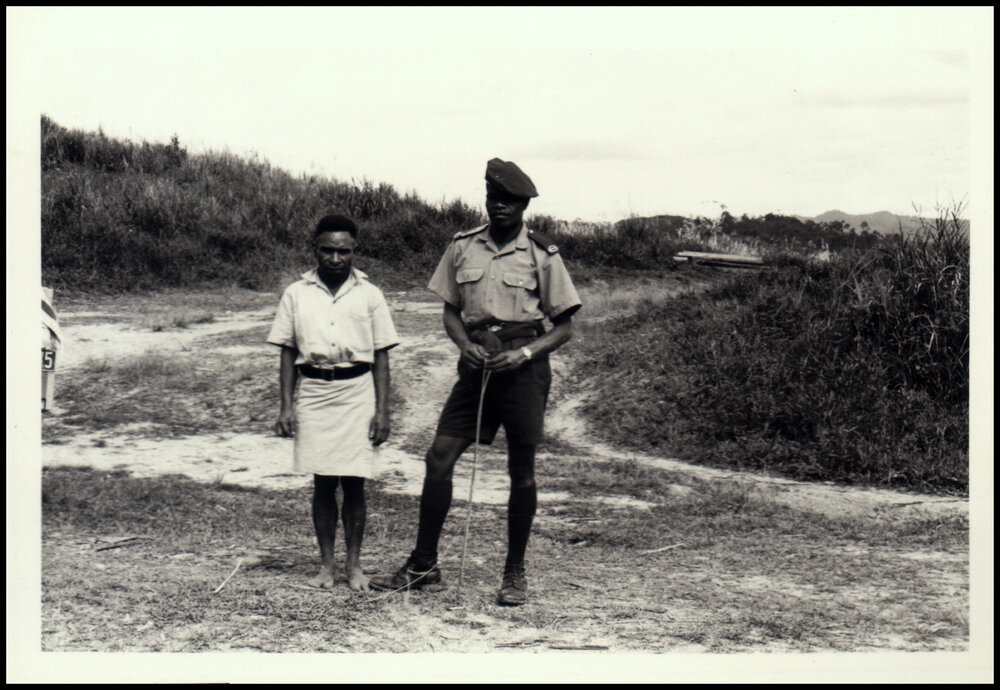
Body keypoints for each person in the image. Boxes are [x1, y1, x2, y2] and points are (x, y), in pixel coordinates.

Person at [371, 158, 581, 605]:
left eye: (509, 200)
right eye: (493, 197)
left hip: (523, 370)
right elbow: (450, 310)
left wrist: (525, 353)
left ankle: (514, 573)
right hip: (476, 366)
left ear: (524, 206)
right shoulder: (463, 246)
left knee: (521, 471)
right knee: (439, 457)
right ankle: (423, 565)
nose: (499, 206)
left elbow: (564, 327)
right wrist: (463, 344)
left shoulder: (542, 254)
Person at [267, 214, 399, 592]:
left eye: (344, 251)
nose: (336, 258)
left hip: (357, 392)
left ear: (355, 250)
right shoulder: (296, 293)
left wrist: (382, 411)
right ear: (315, 249)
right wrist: (286, 406)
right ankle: (326, 567)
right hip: (314, 392)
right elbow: (287, 351)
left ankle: (354, 568)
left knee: (355, 484)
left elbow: (382, 355)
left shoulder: (370, 295)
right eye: (328, 250)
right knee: (323, 482)